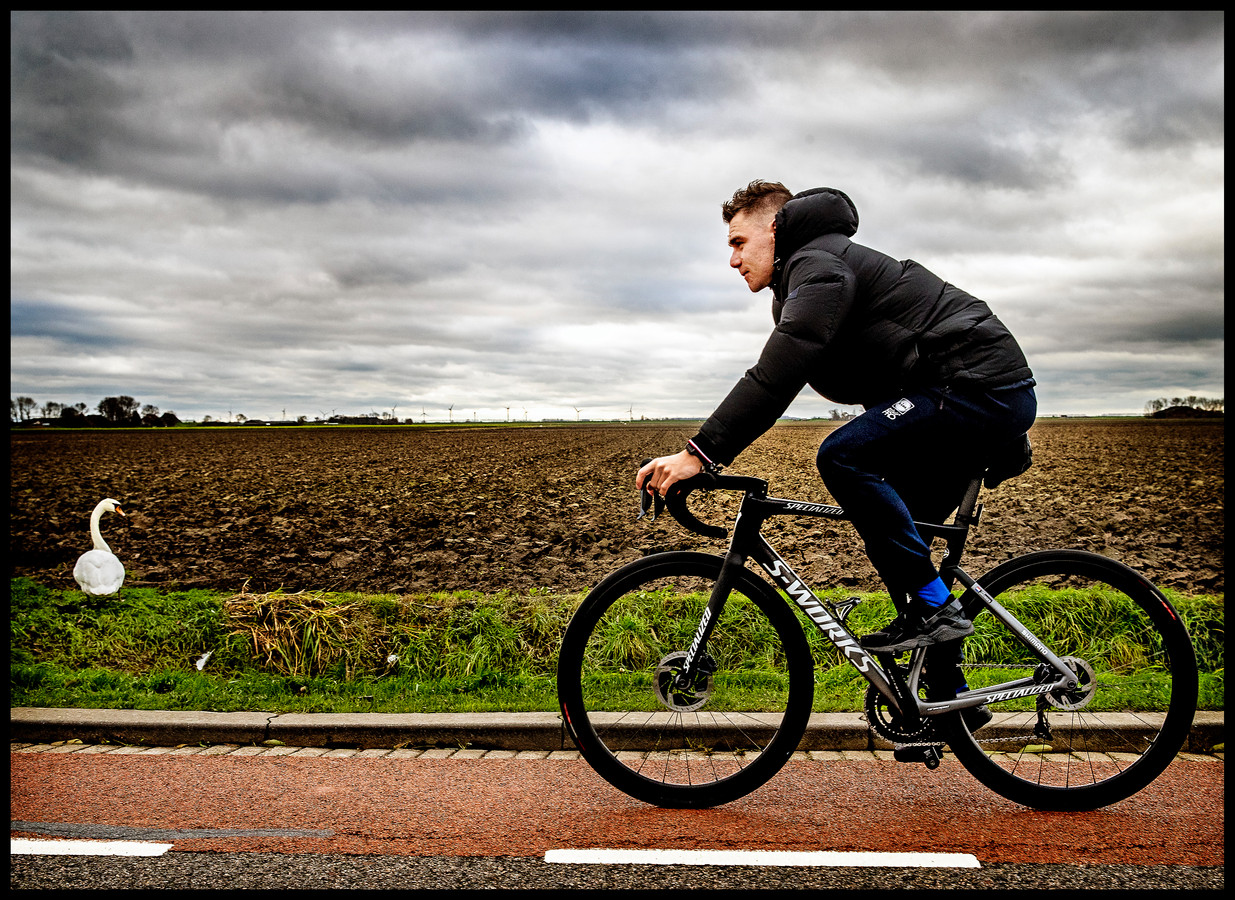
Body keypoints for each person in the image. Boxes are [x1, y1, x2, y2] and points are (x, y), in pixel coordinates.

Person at [637, 181, 1037, 720]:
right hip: (962, 394)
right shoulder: (806, 276)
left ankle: (937, 617)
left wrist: (700, 454)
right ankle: (947, 693)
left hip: (972, 388)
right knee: (899, 541)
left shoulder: (820, 265)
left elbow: (776, 375)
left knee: (841, 455)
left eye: (738, 242)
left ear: (775, 231)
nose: (731, 259)